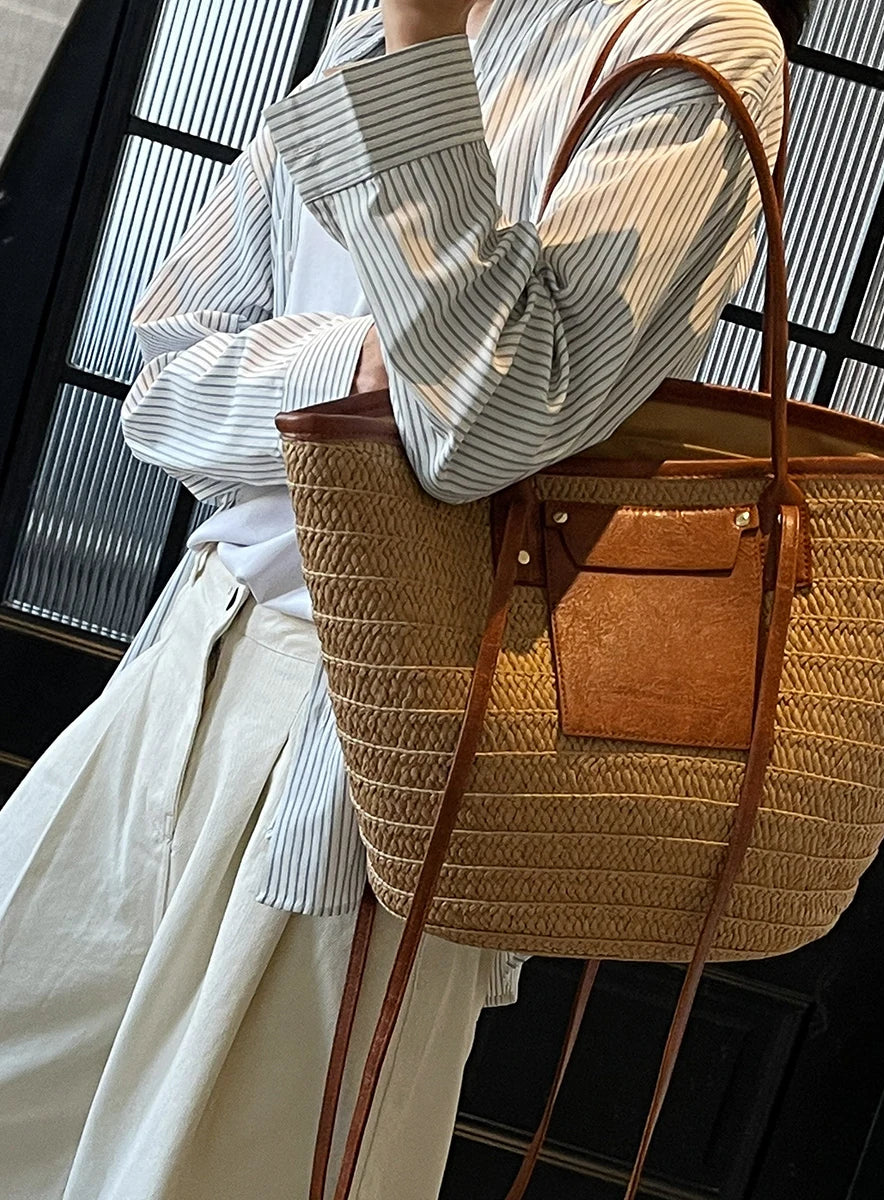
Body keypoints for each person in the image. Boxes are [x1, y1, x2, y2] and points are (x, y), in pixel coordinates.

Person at [0, 0, 807, 1196]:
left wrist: (425, 50)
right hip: (184, 668)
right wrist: (352, 369)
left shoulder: (694, 45)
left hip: (375, 745)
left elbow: (482, 424)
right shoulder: (377, 32)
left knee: (217, 1169)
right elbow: (163, 379)